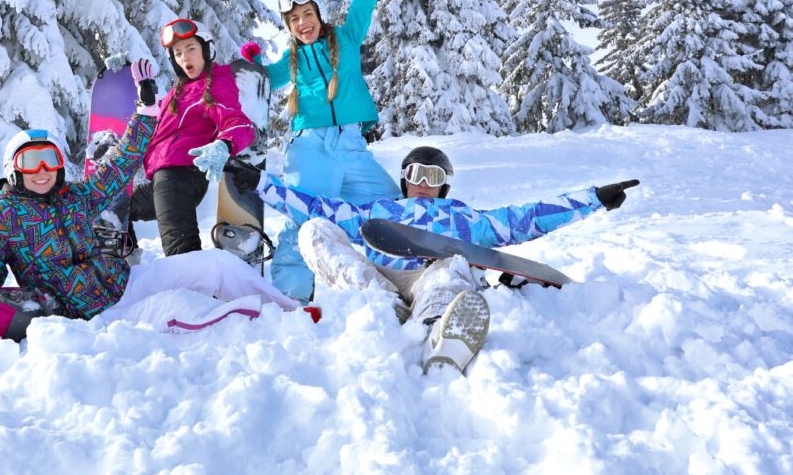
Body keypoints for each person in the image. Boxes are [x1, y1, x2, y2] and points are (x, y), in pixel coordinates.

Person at [0, 59, 304, 341]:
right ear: (13, 169)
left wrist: (146, 113)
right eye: (30, 162)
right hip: (95, 316)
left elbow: (120, 164)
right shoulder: (5, 218)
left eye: (49, 160)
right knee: (184, 311)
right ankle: (256, 327)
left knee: (218, 265)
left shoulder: (77, 197)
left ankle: (293, 313)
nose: (42, 170)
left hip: (128, 281)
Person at [225, 145, 639, 373]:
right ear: (404, 180)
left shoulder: (465, 218)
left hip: (431, 276)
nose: (423, 183)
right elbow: (314, 206)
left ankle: (438, 330)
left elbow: (526, 217)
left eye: (434, 176)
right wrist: (261, 183)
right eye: (416, 175)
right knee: (313, 229)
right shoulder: (378, 211)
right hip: (378, 277)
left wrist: (593, 200)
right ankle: (381, 311)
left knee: (454, 266)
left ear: (444, 186)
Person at [240, 0, 414, 301]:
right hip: (310, 147)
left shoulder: (347, 37)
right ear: (289, 27)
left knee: (388, 210)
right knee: (303, 219)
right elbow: (265, 80)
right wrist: (253, 64)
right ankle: (292, 299)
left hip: (351, 146)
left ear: (318, 13)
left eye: (307, 14)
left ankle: (401, 280)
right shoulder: (292, 60)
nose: (303, 23)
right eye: (294, 20)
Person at [124, 18, 257, 257]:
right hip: (163, 180)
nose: (185, 57)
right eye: (178, 53)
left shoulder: (217, 82)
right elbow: (153, 129)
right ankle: (127, 260)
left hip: (183, 176)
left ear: (207, 49)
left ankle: (194, 291)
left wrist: (224, 144)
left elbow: (239, 123)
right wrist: (139, 94)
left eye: (191, 49)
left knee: (181, 255)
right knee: (118, 208)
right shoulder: (176, 93)